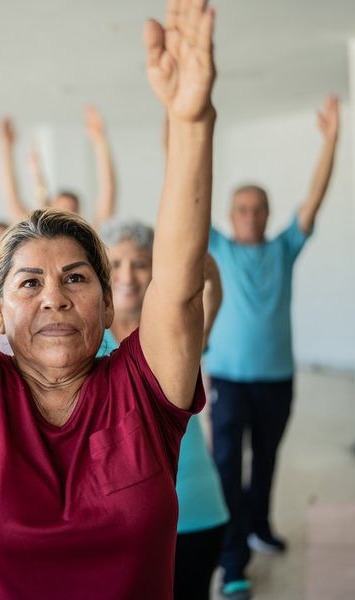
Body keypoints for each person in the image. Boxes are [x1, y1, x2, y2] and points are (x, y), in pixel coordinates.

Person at [0, 0, 215, 597]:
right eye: (29, 283)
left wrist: (191, 121)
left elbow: (179, 291)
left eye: (75, 278)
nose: (55, 298)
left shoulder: (143, 392)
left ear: (110, 301)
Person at [205, 96, 340, 599]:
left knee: (265, 461)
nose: (251, 215)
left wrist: (330, 139)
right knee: (225, 466)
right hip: (229, 379)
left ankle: (258, 525)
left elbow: (314, 198)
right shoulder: (217, 248)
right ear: (231, 214)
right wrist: (188, 127)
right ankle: (232, 556)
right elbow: (190, 193)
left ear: (267, 214)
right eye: (242, 208)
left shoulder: (284, 247)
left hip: (277, 378)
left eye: (258, 208)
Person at [99, 219, 229, 600]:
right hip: (117, 522)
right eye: (115, 263)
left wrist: (206, 274)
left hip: (193, 512)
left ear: (157, 271)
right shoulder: (82, 342)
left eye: (139, 263)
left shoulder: (173, 336)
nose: (127, 275)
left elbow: (206, 304)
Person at [0, 105, 116, 224]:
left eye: (72, 209)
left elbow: (108, 192)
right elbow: (12, 199)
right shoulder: (37, 232)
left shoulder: (89, 237)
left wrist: (100, 141)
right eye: (62, 208)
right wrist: (6, 148)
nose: (67, 213)